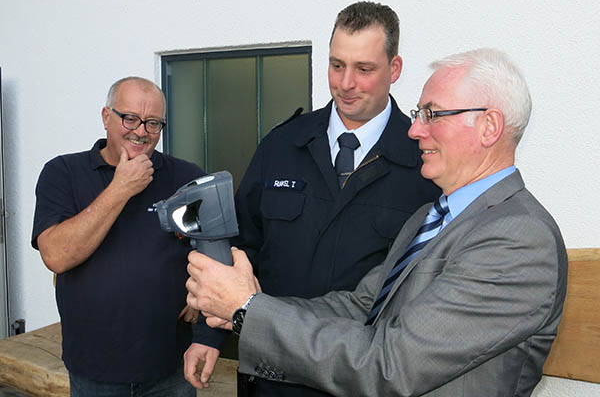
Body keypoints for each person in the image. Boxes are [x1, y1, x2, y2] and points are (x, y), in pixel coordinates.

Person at [186, 48, 568, 396]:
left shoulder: (518, 239)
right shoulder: (433, 216)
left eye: (432, 114)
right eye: (419, 114)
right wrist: (243, 310)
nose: (415, 129)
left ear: (489, 126)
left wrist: (247, 309)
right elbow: (359, 307)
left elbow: (392, 365)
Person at [183, 2, 440, 395]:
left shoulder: (425, 165)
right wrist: (209, 333)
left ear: (395, 68)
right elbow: (240, 247)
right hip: (269, 376)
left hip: (359, 379)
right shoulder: (283, 144)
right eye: (337, 65)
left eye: (364, 69)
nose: (346, 83)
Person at [31, 77, 223, 396]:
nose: (141, 131)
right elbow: (56, 256)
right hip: (95, 371)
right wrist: (121, 188)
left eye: (152, 123)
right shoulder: (63, 172)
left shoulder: (187, 178)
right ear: (107, 117)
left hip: (171, 367)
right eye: (130, 118)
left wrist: (202, 309)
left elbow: (216, 256)